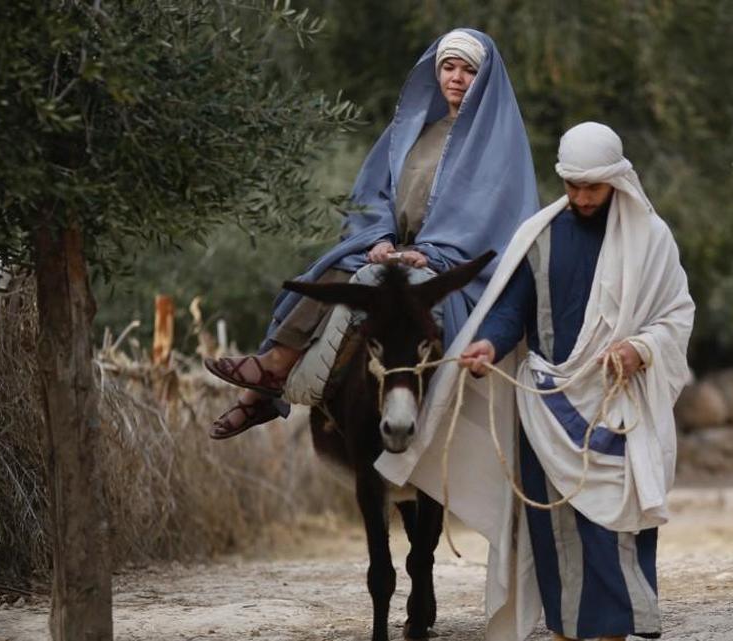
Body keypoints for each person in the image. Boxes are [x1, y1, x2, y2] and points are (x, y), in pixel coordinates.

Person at [374, 122, 694, 640]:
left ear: (616, 179)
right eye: (572, 186)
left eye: (592, 187)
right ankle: (566, 631)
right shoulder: (539, 236)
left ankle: (614, 633)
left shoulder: (651, 239)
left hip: (615, 408)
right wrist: (488, 345)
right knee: (554, 534)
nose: (582, 198)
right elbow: (512, 309)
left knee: (611, 528)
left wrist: (640, 348)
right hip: (545, 408)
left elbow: (676, 314)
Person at [203, 29, 539, 438]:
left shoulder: (500, 146)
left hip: (454, 268)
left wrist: (434, 254)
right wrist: (380, 238)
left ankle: (262, 390)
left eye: (468, 70)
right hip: (395, 250)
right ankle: (273, 371)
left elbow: (494, 222)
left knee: (393, 303)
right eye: (449, 67)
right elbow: (374, 195)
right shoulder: (414, 132)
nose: (456, 78)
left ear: (483, 78)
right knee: (335, 270)